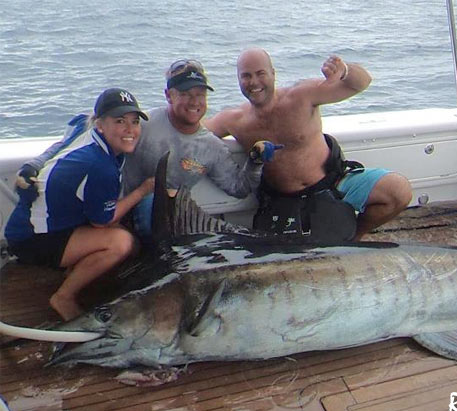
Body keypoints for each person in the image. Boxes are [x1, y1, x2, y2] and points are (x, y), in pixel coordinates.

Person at [17, 59, 265, 239]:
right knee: (148, 203)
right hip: (115, 212)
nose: (194, 102)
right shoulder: (140, 122)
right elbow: (81, 128)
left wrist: (255, 161)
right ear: (169, 95)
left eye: (200, 94)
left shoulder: (211, 146)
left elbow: (240, 188)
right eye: (186, 94)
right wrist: (35, 165)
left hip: (169, 222)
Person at [204, 48, 412, 240]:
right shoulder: (234, 120)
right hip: (283, 200)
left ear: (273, 74)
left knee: (398, 190)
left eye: (260, 73)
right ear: (238, 79)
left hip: (334, 183)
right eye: (246, 76)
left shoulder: (301, 96)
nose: (254, 82)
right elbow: (194, 132)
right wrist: (184, 99)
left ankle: (354, 239)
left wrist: (345, 70)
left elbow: (361, 83)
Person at [4, 88, 154, 320]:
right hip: (31, 238)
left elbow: (59, 144)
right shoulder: (100, 166)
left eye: (135, 122)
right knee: (121, 242)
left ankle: (75, 270)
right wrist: (143, 190)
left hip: (38, 222)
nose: (130, 130)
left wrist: (33, 164)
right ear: (100, 124)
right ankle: (64, 296)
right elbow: (103, 221)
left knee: (127, 237)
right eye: (120, 121)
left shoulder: (83, 127)